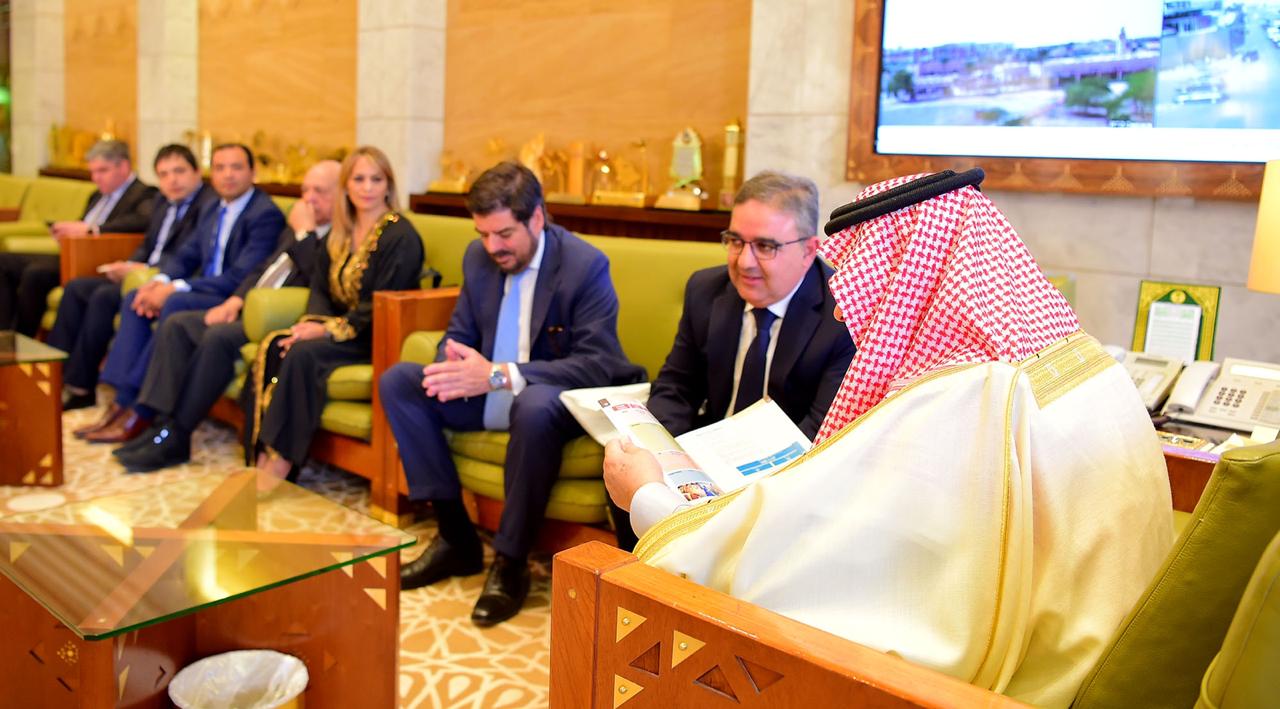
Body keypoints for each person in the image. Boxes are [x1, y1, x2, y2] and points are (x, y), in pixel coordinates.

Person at [603, 170, 1174, 708]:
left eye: (863, 278)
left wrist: (652, 500)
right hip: (1126, 656)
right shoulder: (1087, 361)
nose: (847, 309)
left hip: (1024, 685)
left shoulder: (959, 395)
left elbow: (810, 555)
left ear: (908, 276)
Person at [379, 161, 644, 626]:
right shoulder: (478, 257)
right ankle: (455, 537)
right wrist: (451, 363)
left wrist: (502, 374)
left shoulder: (584, 265)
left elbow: (599, 361)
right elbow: (460, 331)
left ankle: (510, 560)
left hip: (549, 399)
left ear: (536, 217)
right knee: (400, 381)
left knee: (533, 404)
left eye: (503, 234)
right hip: (488, 391)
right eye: (483, 234)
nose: (492, 247)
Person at [611, 171, 855, 550]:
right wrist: (664, 456)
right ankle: (639, 579)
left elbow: (819, 431)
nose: (744, 262)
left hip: (783, 475)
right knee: (630, 470)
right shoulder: (706, 290)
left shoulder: (842, 314)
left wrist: (735, 481)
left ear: (810, 250)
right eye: (735, 241)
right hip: (703, 454)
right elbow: (677, 387)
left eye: (766, 246)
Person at [112, 160, 341, 472]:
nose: (309, 199)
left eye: (320, 192)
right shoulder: (296, 228)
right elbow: (262, 269)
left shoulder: (334, 235)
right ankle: (159, 423)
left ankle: (178, 434)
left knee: (217, 337)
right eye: (305, 190)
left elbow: (322, 282)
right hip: (248, 307)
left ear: (342, 195)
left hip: (278, 319)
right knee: (179, 324)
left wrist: (305, 233)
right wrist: (235, 300)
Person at [77, 144, 284, 444]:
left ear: (253, 172)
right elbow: (186, 255)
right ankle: (122, 403)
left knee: (176, 301)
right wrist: (159, 281)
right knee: (138, 296)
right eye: (220, 168)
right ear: (211, 173)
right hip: (206, 289)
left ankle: (137, 409)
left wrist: (176, 287)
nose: (228, 175)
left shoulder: (264, 214)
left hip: (230, 297)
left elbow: (240, 276)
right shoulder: (213, 207)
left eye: (236, 167)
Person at [241, 147, 424, 481]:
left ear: (388, 185)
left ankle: (282, 464)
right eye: (359, 179)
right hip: (340, 330)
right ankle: (259, 454)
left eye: (376, 179)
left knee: (302, 354)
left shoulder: (400, 235)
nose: (367, 188)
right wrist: (312, 323)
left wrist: (327, 330)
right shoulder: (342, 231)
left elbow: (382, 301)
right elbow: (320, 288)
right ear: (346, 186)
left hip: (375, 333)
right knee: (276, 345)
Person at [47, 144, 216, 410]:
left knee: (103, 296)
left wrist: (146, 270)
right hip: (143, 272)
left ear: (197, 172)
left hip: (165, 277)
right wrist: (129, 264)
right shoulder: (163, 201)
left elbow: (189, 257)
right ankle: (56, 374)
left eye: (179, 171)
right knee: (77, 287)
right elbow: (147, 244)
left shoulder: (208, 205)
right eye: (164, 174)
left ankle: (84, 386)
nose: (172, 180)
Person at [0, 139, 157, 335]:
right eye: (93, 172)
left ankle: (22, 337)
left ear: (124, 166)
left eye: (102, 171)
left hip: (96, 258)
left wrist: (92, 230)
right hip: (73, 253)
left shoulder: (144, 194)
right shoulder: (96, 195)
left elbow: (139, 222)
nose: (96, 178)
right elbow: (82, 224)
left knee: (36, 273)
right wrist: (66, 233)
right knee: (4, 262)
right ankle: (4, 334)